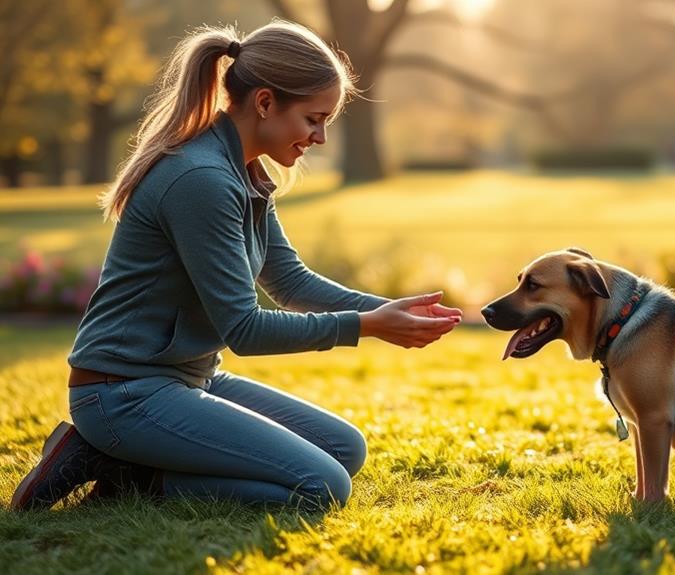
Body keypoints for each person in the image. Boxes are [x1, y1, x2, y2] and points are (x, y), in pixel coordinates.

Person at [10, 21, 461, 512]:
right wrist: (366, 326)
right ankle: (120, 471)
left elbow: (290, 281)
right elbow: (243, 329)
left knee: (344, 448)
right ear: (265, 103)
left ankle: (135, 464)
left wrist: (391, 310)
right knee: (321, 487)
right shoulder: (202, 178)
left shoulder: (242, 168)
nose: (321, 137)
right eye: (314, 119)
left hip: (188, 378)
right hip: (123, 394)